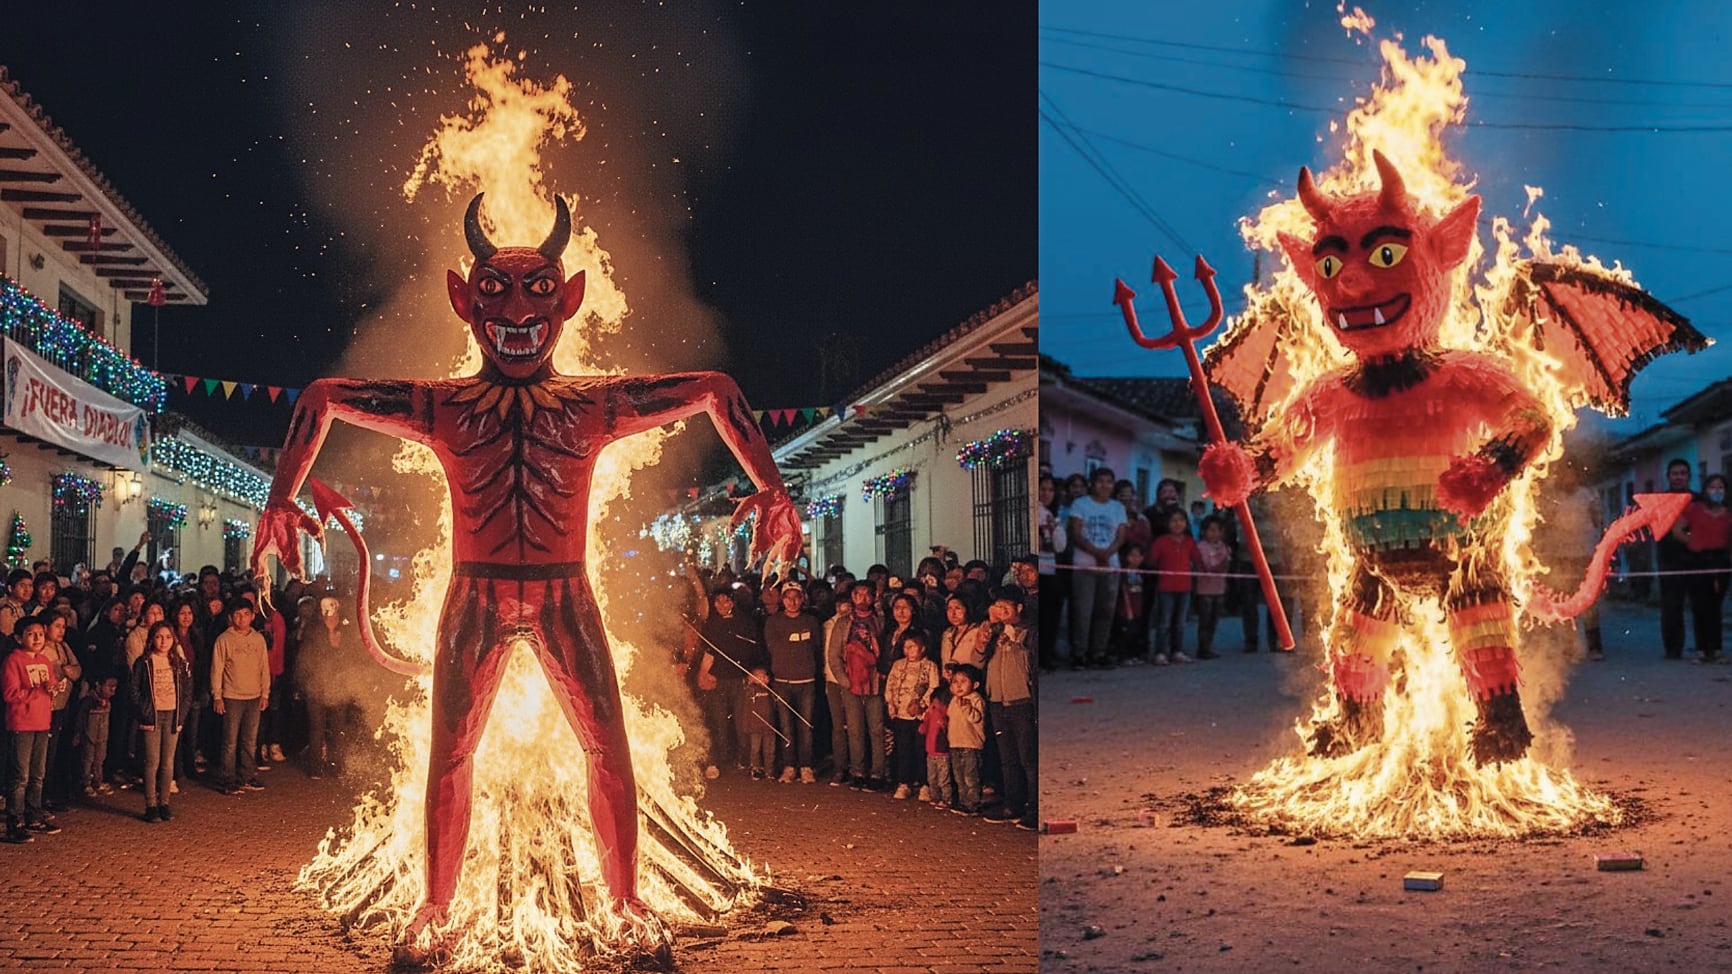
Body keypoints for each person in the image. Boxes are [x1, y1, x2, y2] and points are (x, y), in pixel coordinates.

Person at [4, 614, 65, 841]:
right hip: (22, 723)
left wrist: (54, 688)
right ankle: (15, 821)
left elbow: (48, 686)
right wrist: (36, 691)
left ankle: (34, 816)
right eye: (31, 634)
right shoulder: (13, 660)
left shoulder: (44, 660)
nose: (37, 638)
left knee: (38, 774)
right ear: (19, 638)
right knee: (21, 775)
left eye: (40, 634)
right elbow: (10, 694)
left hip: (42, 721)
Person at [982, 587, 1036, 830]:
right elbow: (982, 659)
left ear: (1019, 607)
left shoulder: (1029, 631)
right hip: (997, 701)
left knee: (1028, 758)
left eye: (1006, 607)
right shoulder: (995, 633)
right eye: (998, 607)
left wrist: (1016, 640)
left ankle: (1035, 809)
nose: (1001, 611)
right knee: (1008, 758)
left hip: (1021, 702)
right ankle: (1013, 805)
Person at [826, 582, 887, 791]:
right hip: (851, 683)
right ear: (852, 596)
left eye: (866, 594)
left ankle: (878, 773)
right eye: (857, 594)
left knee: (877, 729)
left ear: (874, 596)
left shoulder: (879, 621)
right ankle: (858, 772)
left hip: (875, 683)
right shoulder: (844, 623)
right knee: (854, 729)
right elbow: (833, 655)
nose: (862, 598)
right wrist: (845, 681)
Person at [1066, 466, 1127, 668]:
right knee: (1082, 611)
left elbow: (1121, 536)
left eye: (1109, 482)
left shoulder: (1118, 508)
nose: (1104, 486)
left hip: (1110, 566)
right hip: (1084, 566)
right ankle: (1079, 653)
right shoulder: (1080, 504)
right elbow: (1076, 533)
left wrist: (1108, 553)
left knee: (1105, 611)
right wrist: (1095, 552)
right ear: (1092, 483)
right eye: (1100, 481)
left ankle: (1099, 652)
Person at [131, 620, 191, 822]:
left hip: (172, 715)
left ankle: (164, 803)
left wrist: (180, 717)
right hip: (152, 716)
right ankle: (151, 805)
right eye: (158, 637)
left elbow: (187, 692)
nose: (163, 641)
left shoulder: (179, 663)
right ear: (151, 639)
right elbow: (134, 691)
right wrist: (144, 713)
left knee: (167, 762)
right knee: (152, 761)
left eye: (167, 637)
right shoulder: (143, 662)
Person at [761, 581, 820, 784]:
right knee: (786, 726)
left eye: (796, 597)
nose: (792, 602)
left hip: (807, 681)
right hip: (782, 681)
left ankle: (806, 766)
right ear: (782, 599)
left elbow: (816, 647)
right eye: (788, 597)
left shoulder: (811, 621)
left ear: (802, 599)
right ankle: (789, 766)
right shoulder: (773, 622)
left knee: (806, 726)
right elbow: (773, 649)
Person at [211, 596, 270, 795]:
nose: (241, 618)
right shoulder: (224, 640)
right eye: (237, 615)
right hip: (232, 696)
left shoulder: (258, 639)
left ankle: (247, 775)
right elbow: (217, 669)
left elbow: (264, 667)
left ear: (252, 616)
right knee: (230, 740)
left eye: (245, 614)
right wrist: (217, 695)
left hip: (254, 696)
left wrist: (265, 693)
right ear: (230, 617)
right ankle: (227, 778)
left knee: (250, 740)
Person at [1680, 473, 1730, 663]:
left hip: (1720, 561)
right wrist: (1693, 543)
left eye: (1720, 488)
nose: (1716, 491)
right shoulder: (1695, 509)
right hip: (1698, 560)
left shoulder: (1728, 513)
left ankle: (1716, 649)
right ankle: (1701, 649)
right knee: (1699, 605)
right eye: (1712, 487)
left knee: (1715, 606)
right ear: (1705, 490)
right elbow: (1677, 529)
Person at [885, 632, 940, 800]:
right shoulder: (898, 665)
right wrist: (891, 704)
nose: (908, 650)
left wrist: (921, 704)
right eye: (905, 647)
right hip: (901, 715)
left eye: (912, 647)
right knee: (903, 749)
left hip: (920, 717)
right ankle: (904, 783)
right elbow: (890, 685)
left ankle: (924, 784)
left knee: (920, 749)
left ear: (922, 648)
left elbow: (934, 687)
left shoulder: (930, 666)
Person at [1147, 509, 1199, 665]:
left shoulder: (1189, 542)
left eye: (1181, 520)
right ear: (1167, 523)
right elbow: (1152, 560)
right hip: (1166, 587)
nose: (1177, 524)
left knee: (1180, 622)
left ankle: (1177, 651)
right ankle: (1160, 652)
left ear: (1186, 523)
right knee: (1164, 622)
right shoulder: (1161, 541)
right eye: (1173, 520)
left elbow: (1197, 559)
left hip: (1185, 587)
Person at [1659, 458, 1696, 659]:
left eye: (1683, 473)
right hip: (1669, 560)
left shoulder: (1698, 500)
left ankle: (1705, 648)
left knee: (1701, 606)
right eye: (1675, 473)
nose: (1679, 477)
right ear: (1668, 477)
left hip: (1697, 560)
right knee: (1671, 607)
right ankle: (1673, 649)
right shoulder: (1660, 502)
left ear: (1689, 476)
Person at [946, 664, 986, 816]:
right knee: (959, 776)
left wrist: (967, 708)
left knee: (971, 776)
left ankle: (973, 804)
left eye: (963, 681)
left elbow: (976, 718)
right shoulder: (954, 700)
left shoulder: (975, 699)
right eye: (955, 682)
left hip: (971, 744)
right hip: (955, 743)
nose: (958, 685)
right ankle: (963, 802)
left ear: (975, 684)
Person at [1194, 515, 1232, 660]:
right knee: (1204, 620)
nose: (1214, 533)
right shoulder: (1201, 547)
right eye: (1211, 530)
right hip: (1204, 589)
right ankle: (1202, 648)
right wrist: (1223, 561)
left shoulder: (1224, 547)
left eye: (1217, 530)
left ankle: (1208, 646)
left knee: (1214, 620)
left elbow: (1226, 569)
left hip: (1219, 588)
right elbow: (1208, 567)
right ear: (1204, 531)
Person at [77, 676, 117, 797]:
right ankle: (85, 783)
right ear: (99, 685)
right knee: (87, 759)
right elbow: (81, 719)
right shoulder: (88, 701)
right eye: (109, 686)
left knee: (99, 759)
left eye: (114, 687)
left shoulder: (108, 702)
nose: (112, 690)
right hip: (89, 736)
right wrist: (78, 733)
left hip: (102, 737)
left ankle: (97, 782)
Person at [1110, 543, 1149, 664]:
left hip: (1138, 608)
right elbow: (1124, 591)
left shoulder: (1142, 573)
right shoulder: (1124, 573)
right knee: (1125, 633)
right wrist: (1128, 610)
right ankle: (1123, 656)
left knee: (1136, 633)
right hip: (1126, 609)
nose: (1135, 559)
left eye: (1138, 556)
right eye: (1132, 556)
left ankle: (1134, 655)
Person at [736, 667, 775, 780]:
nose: (762, 678)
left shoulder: (769, 690)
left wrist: (767, 686)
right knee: (755, 749)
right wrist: (750, 682)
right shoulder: (751, 689)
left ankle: (769, 770)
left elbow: (775, 702)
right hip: (755, 726)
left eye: (764, 675)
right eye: (759, 675)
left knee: (769, 749)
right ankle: (756, 769)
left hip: (769, 725)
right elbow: (746, 692)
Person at [920, 681, 953, 810]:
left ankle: (947, 799)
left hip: (942, 751)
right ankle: (935, 797)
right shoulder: (931, 711)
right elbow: (925, 724)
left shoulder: (946, 712)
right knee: (932, 777)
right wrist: (923, 727)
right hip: (931, 750)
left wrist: (944, 724)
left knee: (943, 778)